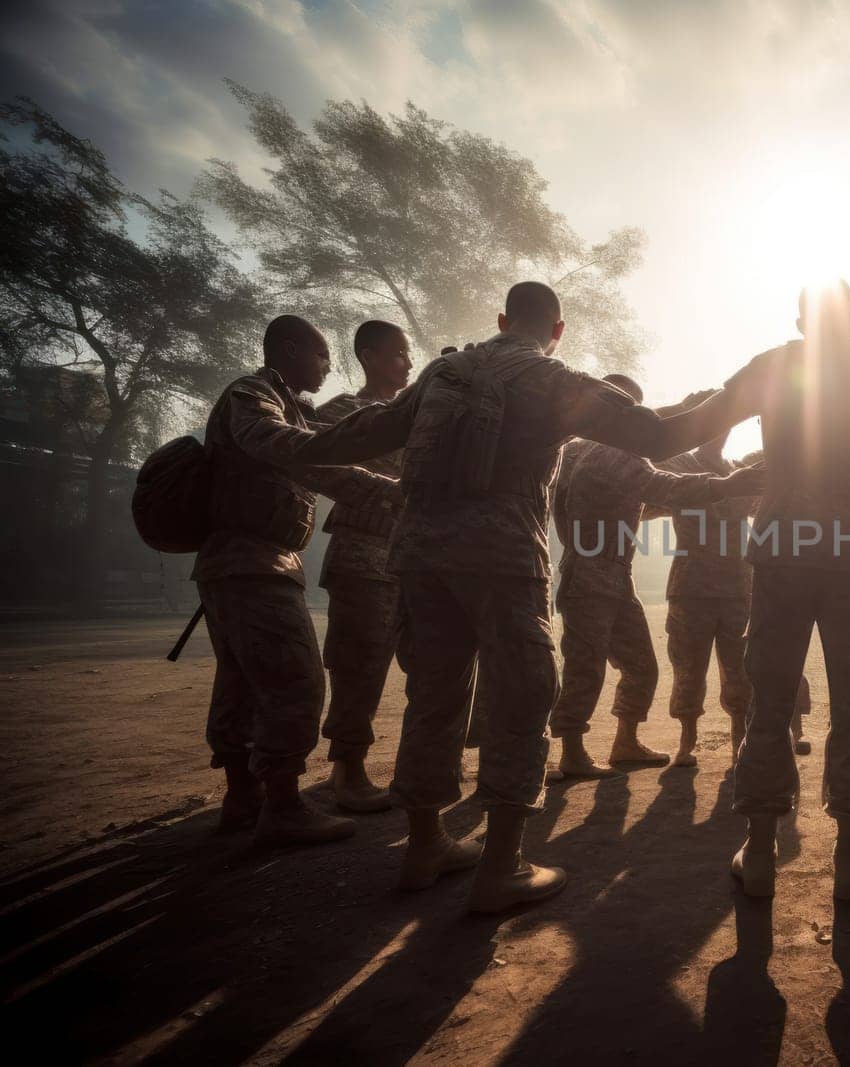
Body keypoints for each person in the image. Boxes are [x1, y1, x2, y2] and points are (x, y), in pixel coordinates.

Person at [269, 282, 745, 911]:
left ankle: (425, 844)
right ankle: (502, 865)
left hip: (419, 555)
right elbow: (659, 438)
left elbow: (361, 433)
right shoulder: (553, 379)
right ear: (558, 330)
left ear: (500, 318)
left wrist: (274, 440)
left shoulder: (443, 372)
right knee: (521, 695)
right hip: (501, 555)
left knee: (434, 694)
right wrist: (747, 393)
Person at [657, 280, 850, 900]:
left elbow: (686, 429)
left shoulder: (771, 367)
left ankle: (762, 850)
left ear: (798, 321)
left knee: (769, 697)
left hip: (779, 546)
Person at [193, 315, 399, 847]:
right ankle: (282, 806)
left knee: (240, 682)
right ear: (289, 349)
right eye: (322, 357)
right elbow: (281, 446)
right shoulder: (253, 396)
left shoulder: (291, 410)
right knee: (296, 679)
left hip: (254, 560)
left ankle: (244, 799)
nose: (328, 368)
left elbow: (317, 467)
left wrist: (373, 487)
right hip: (251, 560)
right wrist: (381, 488)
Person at [547, 377, 754, 778]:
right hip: (594, 572)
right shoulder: (616, 452)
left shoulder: (575, 449)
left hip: (606, 570)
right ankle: (572, 752)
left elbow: (635, 496)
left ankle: (624, 743)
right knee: (585, 667)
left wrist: (688, 406)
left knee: (641, 665)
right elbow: (660, 485)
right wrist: (725, 485)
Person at [313, 320, 413, 813]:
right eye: (399, 354)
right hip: (364, 553)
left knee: (434, 664)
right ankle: (347, 769)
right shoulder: (341, 413)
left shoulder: (418, 414)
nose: (408, 364)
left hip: (417, 558)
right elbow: (300, 461)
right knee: (360, 665)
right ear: (369, 356)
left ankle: (421, 764)